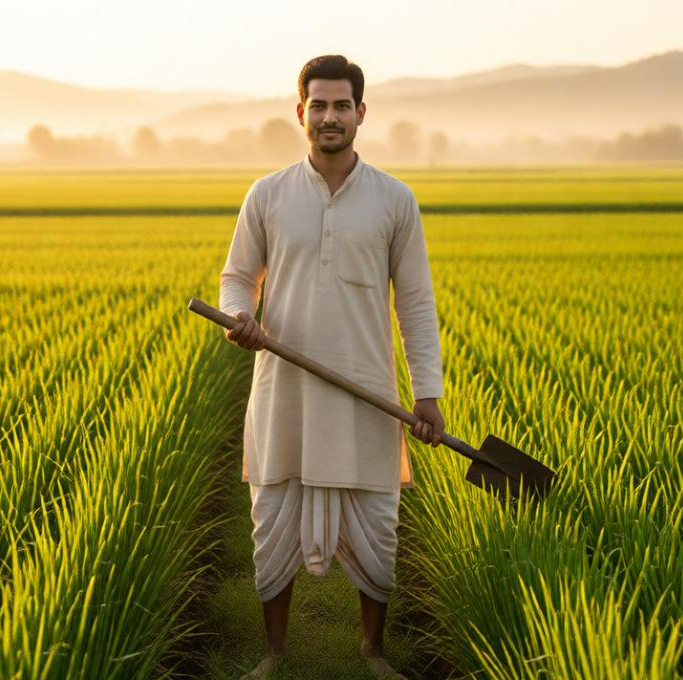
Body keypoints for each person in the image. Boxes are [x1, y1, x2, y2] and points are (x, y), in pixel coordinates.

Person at [219, 54, 445, 680]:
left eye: (341, 105)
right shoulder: (266, 195)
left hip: (367, 395)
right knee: (272, 522)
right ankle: (274, 653)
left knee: (378, 523)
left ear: (361, 113)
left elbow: (417, 303)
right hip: (284, 391)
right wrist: (239, 316)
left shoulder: (396, 200)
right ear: (300, 113)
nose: (329, 116)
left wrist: (427, 392)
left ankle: (372, 653)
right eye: (317, 105)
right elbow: (236, 277)